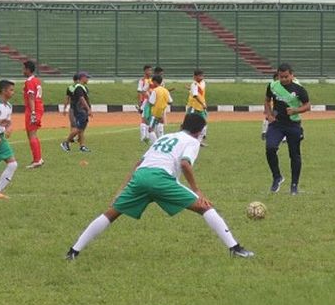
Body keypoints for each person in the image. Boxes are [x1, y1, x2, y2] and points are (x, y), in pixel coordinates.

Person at [65, 113, 254, 260]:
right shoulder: (192, 141)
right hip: (160, 179)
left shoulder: (166, 137)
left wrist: (121, 189)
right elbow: (185, 164)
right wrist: (197, 190)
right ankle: (235, 248)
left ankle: (74, 251)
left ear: (182, 125)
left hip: (140, 177)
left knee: (111, 214)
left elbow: (139, 163)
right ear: (200, 131)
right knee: (206, 208)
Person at [264, 63, 310, 195]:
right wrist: (268, 114)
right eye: (281, 77)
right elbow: (267, 100)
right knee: (270, 148)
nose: (283, 79)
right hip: (277, 124)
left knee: (294, 155)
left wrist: (296, 110)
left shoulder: (299, 89)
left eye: (286, 77)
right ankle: (277, 177)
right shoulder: (272, 85)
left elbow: (307, 106)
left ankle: (294, 185)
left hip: (293, 125)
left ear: (291, 75)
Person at [0, 80, 19, 199]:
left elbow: (8, 122)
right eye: (11, 90)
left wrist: (9, 128)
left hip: (0, 138)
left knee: (13, 164)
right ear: (3, 91)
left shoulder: (9, 106)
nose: (13, 92)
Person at [61, 72, 92, 152]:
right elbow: (82, 99)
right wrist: (88, 109)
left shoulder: (83, 87)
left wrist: (89, 109)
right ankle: (66, 142)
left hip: (82, 111)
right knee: (78, 128)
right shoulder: (78, 88)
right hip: (79, 111)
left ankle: (82, 146)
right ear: (82, 78)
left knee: (81, 129)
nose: (88, 79)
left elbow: (86, 99)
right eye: (87, 78)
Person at [22, 61, 44, 169]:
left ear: (28, 69)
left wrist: (33, 112)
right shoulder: (37, 80)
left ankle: (37, 160)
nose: (23, 71)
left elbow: (31, 97)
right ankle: (38, 158)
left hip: (32, 109)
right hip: (38, 107)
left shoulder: (29, 81)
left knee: (31, 134)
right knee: (32, 134)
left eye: (24, 69)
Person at [147, 74, 173, 144]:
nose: (152, 83)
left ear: (155, 82)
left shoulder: (155, 90)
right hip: (162, 112)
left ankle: (156, 144)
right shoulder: (166, 91)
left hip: (155, 113)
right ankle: (162, 142)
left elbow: (151, 103)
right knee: (160, 128)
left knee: (150, 129)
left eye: (153, 82)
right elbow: (170, 102)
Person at [186, 69, 208, 145]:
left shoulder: (203, 83)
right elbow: (195, 96)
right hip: (193, 107)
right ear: (195, 77)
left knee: (204, 123)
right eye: (199, 76)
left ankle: (198, 141)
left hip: (201, 107)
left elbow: (199, 93)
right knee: (188, 123)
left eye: (202, 75)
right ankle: (186, 140)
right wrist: (203, 103)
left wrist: (203, 103)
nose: (201, 77)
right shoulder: (194, 84)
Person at [137, 65, 152, 142]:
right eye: (149, 70)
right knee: (144, 118)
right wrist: (140, 102)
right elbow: (139, 92)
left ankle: (147, 136)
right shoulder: (142, 80)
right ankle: (143, 137)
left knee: (148, 119)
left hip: (151, 102)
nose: (150, 72)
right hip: (145, 101)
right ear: (145, 71)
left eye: (151, 70)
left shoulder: (152, 80)